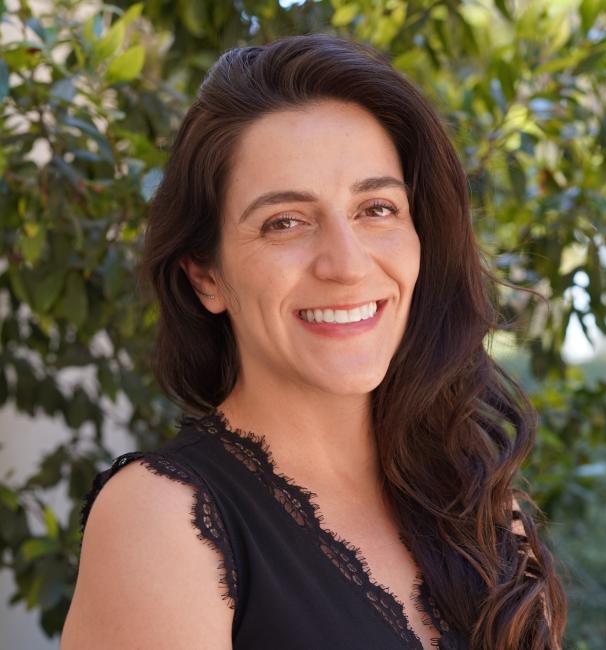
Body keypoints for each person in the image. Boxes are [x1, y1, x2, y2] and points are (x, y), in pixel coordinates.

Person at [61, 33, 567, 650]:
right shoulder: (162, 521)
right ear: (206, 275)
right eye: (285, 222)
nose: (347, 264)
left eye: (376, 208)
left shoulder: (479, 507)